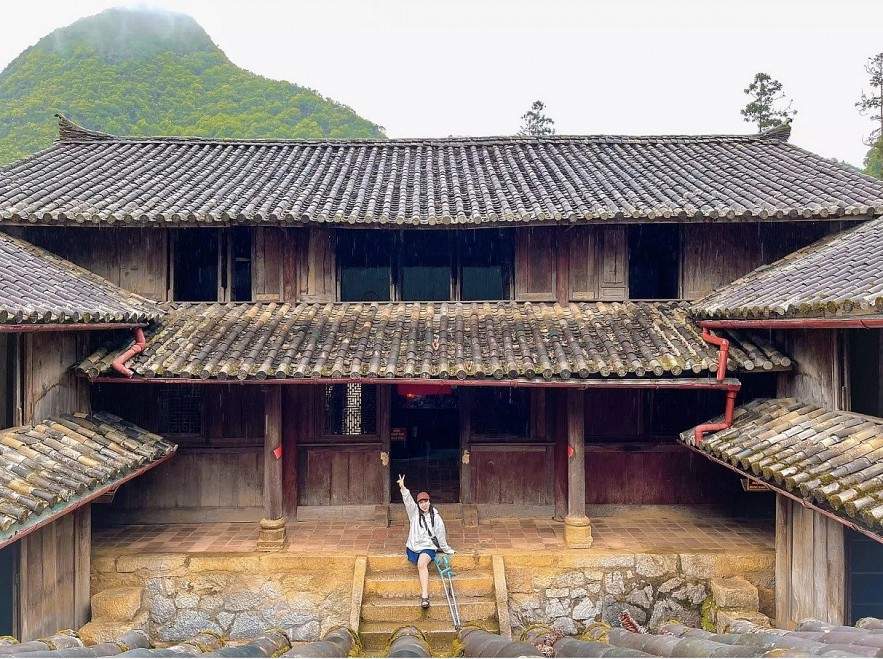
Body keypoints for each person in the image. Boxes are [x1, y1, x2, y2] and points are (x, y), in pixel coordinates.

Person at [397, 474, 455, 609]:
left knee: (422, 564)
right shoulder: (414, 514)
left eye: (426, 501)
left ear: (430, 502)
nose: (424, 505)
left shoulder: (436, 518)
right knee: (418, 561)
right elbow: (408, 501)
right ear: (418, 504)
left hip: (427, 548)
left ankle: (425, 596)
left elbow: (440, 536)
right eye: (421, 502)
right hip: (413, 547)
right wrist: (403, 487)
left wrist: (446, 549)